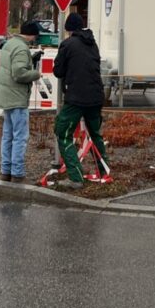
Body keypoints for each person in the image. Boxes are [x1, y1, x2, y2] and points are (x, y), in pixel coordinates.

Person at [53, 12, 108, 188]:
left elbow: (58, 71)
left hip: (76, 98)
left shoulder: (67, 44)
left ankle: (76, 177)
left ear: (68, 29)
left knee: (63, 133)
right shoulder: (93, 43)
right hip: (96, 97)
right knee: (95, 134)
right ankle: (104, 171)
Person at [0, 20, 41, 183]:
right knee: (20, 137)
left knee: (7, 135)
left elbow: (13, 67)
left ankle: (5, 171)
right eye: (35, 36)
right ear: (31, 35)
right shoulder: (21, 48)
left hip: (7, 96)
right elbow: (19, 74)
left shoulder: (10, 43)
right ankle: (17, 174)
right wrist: (36, 73)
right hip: (17, 97)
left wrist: (29, 61)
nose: (35, 39)